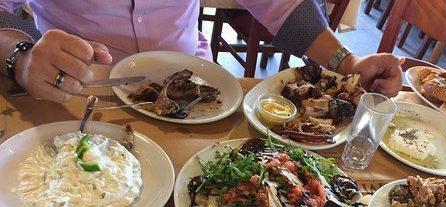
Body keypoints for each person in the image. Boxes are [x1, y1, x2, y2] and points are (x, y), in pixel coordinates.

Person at [0, 1, 403, 103]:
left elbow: (282, 5)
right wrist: (21, 56)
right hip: (79, 91)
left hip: (193, 94)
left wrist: (347, 62)